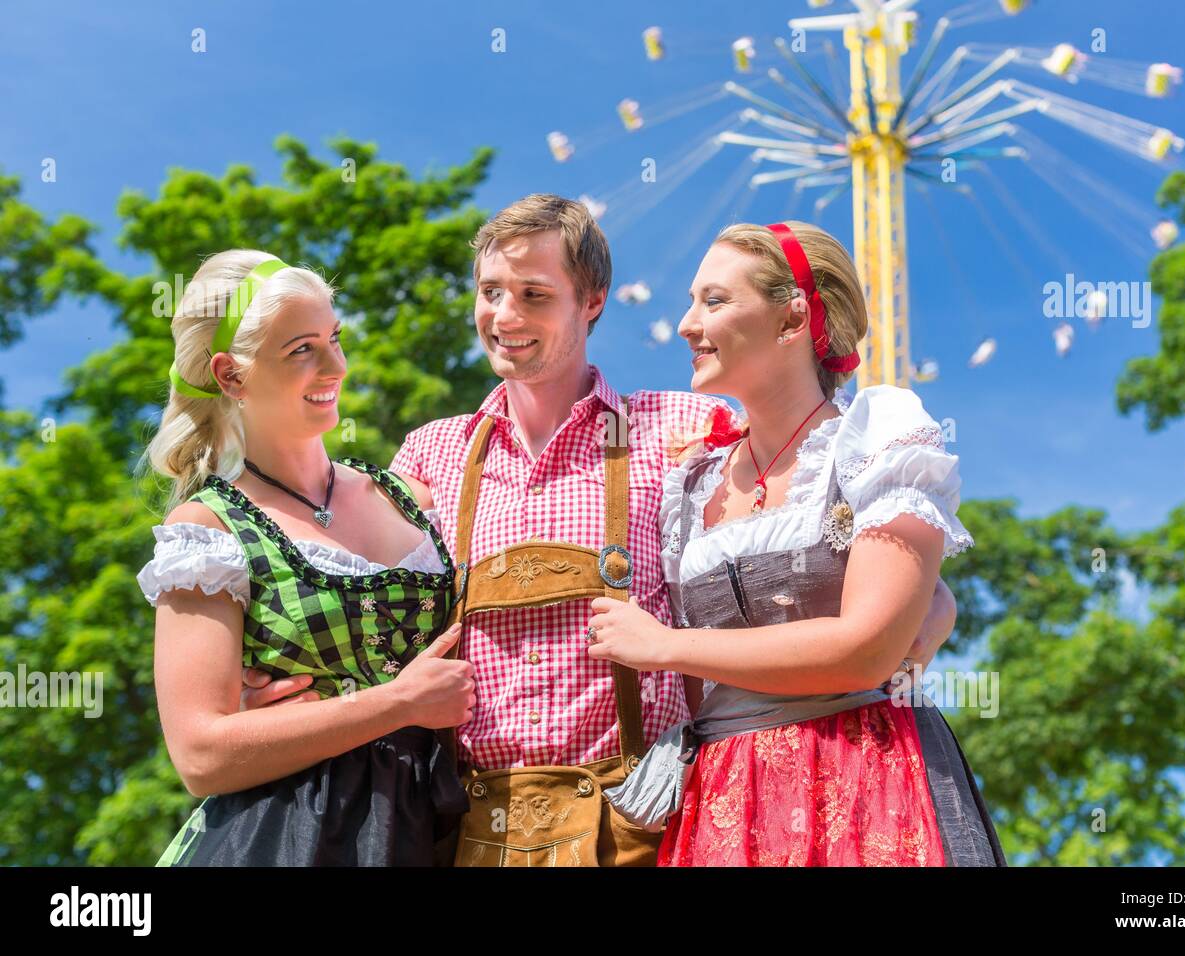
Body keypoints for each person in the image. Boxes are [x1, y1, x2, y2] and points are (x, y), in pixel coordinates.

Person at [243, 195, 958, 867]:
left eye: (534, 295)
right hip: (468, 826)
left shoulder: (688, 428)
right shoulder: (431, 454)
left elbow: (828, 525)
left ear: (592, 302)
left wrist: (918, 624)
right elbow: (356, 603)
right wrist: (283, 688)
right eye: (490, 291)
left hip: (640, 826)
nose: (504, 314)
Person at [591, 220, 1007, 866]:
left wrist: (666, 646)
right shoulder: (691, 484)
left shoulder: (879, 437)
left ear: (791, 321)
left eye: (714, 300)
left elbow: (867, 649)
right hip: (726, 796)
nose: (684, 325)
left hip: (867, 779)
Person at [136, 250, 474, 866]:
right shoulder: (209, 530)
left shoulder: (412, 498)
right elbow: (201, 755)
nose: (335, 365)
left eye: (335, 338)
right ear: (230, 376)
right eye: (303, 350)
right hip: (290, 840)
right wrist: (397, 702)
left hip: (439, 828)